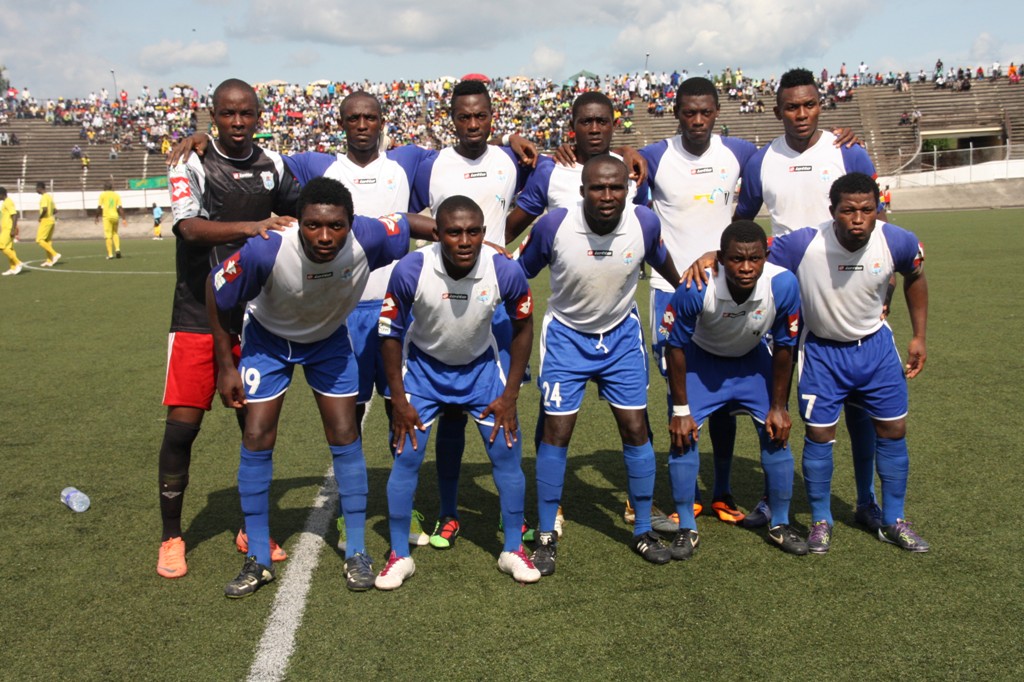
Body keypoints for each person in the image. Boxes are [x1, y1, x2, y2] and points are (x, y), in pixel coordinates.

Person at [208, 177, 427, 597]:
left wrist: (483, 245)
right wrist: (225, 366)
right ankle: (257, 556)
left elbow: (411, 222)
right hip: (269, 340)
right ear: (299, 222)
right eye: (313, 225)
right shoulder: (267, 248)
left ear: (351, 223)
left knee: (345, 433)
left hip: (327, 340)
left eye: (336, 226)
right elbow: (215, 289)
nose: (324, 236)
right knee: (256, 435)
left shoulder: (368, 236)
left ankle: (357, 551)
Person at [157, 78, 300, 580]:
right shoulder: (191, 161)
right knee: (183, 427)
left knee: (254, 429)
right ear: (212, 116)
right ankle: (172, 537)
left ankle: (252, 529)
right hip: (197, 315)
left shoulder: (273, 164)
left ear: (259, 116)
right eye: (227, 113)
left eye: (246, 113)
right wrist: (253, 226)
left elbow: (304, 208)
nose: (237, 122)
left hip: (255, 317)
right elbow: (188, 228)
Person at [733, 68, 883, 529]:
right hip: (782, 290)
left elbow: (877, 222)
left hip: (845, 288)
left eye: (810, 104)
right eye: (792, 107)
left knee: (858, 402)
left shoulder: (848, 151)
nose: (801, 114)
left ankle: (865, 500)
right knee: (774, 395)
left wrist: (885, 288)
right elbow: (743, 221)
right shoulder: (761, 160)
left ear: (821, 105)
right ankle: (773, 497)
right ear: (778, 111)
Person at [517, 155, 681, 574]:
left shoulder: (644, 222)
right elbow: (518, 274)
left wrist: (687, 288)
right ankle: (546, 533)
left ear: (628, 190)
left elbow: (663, 261)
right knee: (557, 432)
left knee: (635, 428)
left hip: (621, 336)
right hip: (567, 337)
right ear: (582, 191)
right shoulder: (555, 226)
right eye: (598, 188)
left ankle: (642, 529)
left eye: (616, 188)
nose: (607, 196)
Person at [375, 195, 539, 590]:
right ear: (437, 233)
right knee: (406, 458)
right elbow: (390, 334)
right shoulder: (412, 268)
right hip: (423, 372)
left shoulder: (504, 269)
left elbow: (523, 328)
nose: (465, 241)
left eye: (473, 232)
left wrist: (510, 395)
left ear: (483, 233)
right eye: (454, 232)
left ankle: (512, 549)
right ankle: (398, 555)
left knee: (507, 455)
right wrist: (399, 399)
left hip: (481, 371)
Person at [768, 173, 929, 554]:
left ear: (878, 209)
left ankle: (893, 519)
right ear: (832, 211)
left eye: (867, 210)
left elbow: (916, 275)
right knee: (820, 435)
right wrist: (712, 257)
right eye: (848, 210)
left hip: (875, 349)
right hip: (822, 353)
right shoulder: (803, 244)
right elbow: (752, 255)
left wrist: (919, 336)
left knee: (893, 430)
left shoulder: (897, 241)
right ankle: (821, 520)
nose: (858, 218)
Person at [408, 79, 537, 549]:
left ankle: (510, 518)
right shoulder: (430, 164)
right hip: (446, 298)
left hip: (494, 301)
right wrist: (448, 239)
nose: (473, 124)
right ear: (452, 119)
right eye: (464, 117)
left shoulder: (511, 160)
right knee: (451, 414)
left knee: (503, 407)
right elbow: (404, 217)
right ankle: (448, 511)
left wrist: (498, 245)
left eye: (481, 116)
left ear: (492, 116)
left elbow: (532, 201)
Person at [661, 220, 807, 558]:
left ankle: (780, 523)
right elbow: (675, 346)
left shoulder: (783, 284)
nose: (746, 267)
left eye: (754, 259)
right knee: (683, 436)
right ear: (721, 259)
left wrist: (779, 406)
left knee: (777, 433)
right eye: (737, 259)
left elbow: (785, 347)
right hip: (701, 363)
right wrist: (680, 411)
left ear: (766, 257)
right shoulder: (697, 286)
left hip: (750, 362)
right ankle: (686, 527)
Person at [96, 181, 125, 259]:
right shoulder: (116, 195)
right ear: (111, 187)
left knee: (108, 236)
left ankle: (110, 255)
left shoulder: (102, 195)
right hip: (115, 216)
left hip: (107, 217)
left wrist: (96, 217)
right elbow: (120, 208)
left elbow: (99, 207)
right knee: (115, 233)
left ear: (105, 187)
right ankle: (117, 249)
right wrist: (124, 218)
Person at [35, 182, 60, 266]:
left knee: (39, 240)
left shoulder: (44, 197)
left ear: (40, 188)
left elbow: (45, 209)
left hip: (45, 220)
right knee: (47, 241)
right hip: (52, 220)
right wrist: (50, 214)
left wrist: (40, 217)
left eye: (36, 188)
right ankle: (49, 260)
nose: (36, 190)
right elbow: (55, 210)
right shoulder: (49, 197)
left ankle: (55, 254)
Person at [0, 187, 23, 276]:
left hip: (9, 228)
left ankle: (18, 262)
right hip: (6, 228)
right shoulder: (5, 202)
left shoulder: (8, 202)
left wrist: (13, 229)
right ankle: (13, 268)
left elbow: (14, 215)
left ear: (1, 194)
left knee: (1, 245)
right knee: (9, 248)